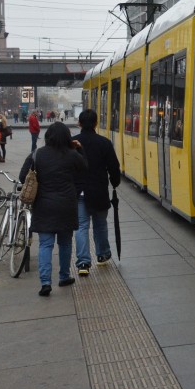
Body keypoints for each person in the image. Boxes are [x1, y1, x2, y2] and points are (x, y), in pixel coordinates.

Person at [20, 122, 87, 296]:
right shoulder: (72, 155)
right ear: (67, 137)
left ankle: (45, 282)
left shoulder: (37, 155)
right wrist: (79, 149)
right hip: (66, 204)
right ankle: (64, 276)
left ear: (48, 136)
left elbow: (22, 177)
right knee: (65, 243)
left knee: (45, 244)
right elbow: (84, 169)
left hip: (44, 205)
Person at [74, 110, 121, 274]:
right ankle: (102, 255)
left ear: (79, 123)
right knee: (100, 224)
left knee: (81, 226)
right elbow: (114, 167)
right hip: (99, 190)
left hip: (79, 191)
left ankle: (83, 263)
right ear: (96, 123)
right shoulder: (104, 143)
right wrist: (115, 182)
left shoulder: (73, 142)